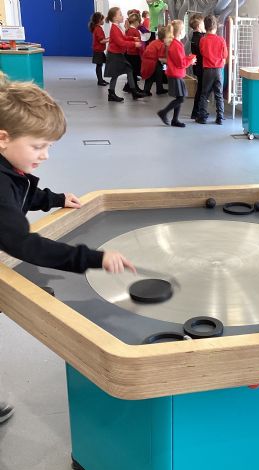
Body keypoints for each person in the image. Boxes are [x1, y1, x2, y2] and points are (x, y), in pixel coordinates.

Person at [0, 72, 136, 422]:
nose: (45, 156)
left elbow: (21, 194)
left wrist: (55, 199)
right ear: (3, 138)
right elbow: (23, 244)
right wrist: (92, 258)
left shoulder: (9, 169)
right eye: (37, 146)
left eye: (49, 147)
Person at [157, 20, 196, 128]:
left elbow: (180, 59)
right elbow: (180, 63)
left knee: (180, 97)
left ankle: (175, 120)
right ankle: (163, 113)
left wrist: (189, 59)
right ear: (180, 32)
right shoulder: (176, 45)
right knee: (181, 98)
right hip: (175, 74)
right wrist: (190, 61)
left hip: (176, 73)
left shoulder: (175, 44)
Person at [104, 7, 146, 102]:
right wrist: (134, 44)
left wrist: (132, 38)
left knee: (129, 70)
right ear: (115, 18)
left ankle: (133, 91)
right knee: (115, 74)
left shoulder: (117, 27)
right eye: (120, 15)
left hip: (117, 54)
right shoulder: (114, 28)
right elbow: (121, 42)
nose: (122, 16)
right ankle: (112, 94)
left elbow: (123, 37)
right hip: (114, 55)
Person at [196, 15, 227, 125]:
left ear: (205, 26)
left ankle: (202, 117)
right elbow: (225, 55)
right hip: (218, 70)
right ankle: (220, 117)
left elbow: (202, 52)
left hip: (208, 70)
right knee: (219, 94)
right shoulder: (221, 40)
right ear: (216, 26)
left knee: (204, 94)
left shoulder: (203, 40)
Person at [141, 25, 168, 96]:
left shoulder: (155, 42)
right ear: (165, 38)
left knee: (152, 75)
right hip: (152, 62)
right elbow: (161, 58)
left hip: (147, 61)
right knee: (155, 75)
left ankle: (153, 89)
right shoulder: (161, 45)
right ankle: (151, 90)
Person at [189, 14, 205, 120]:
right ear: (199, 25)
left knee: (200, 89)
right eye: (203, 23)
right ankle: (196, 112)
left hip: (198, 67)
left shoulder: (195, 37)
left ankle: (196, 111)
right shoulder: (200, 38)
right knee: (201, 90)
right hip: (201, 67)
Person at [124, 13, 143, 93]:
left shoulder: (128, 30)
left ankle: (129, 86)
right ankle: (134, 87)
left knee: (131, 72)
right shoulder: (135, 31)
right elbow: (138, 44)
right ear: (136, 22)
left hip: (128, 54)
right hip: (134, 54)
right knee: (134, 72)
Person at [88, 12, 109, 86]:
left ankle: (101, 79)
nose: (103, 21)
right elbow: (101, 41)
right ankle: (100, 81)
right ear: (99, 20)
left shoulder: (97, 28)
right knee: (99, 66)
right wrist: (110, 39)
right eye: (102, 20)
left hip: (99, 50)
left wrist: (108, 38)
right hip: (98, 50)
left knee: (99, 65)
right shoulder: (98, 29)